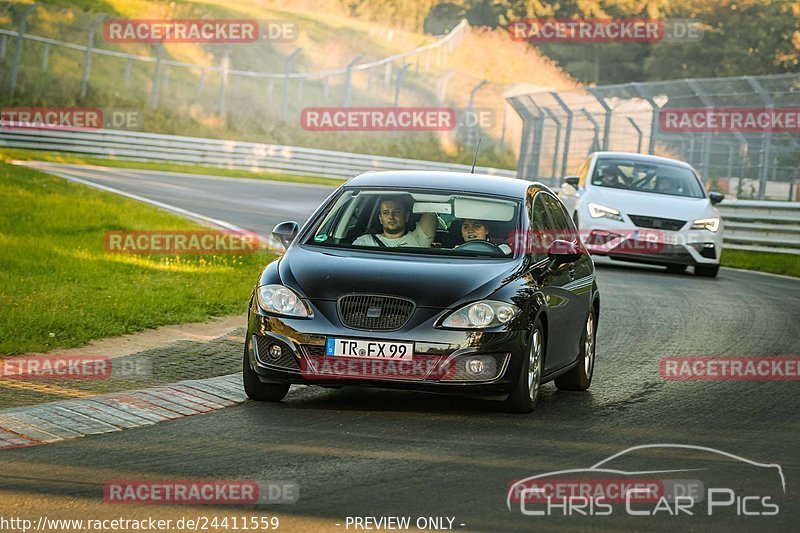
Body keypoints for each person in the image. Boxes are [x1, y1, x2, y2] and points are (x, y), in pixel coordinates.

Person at [352, 197, 436, 248]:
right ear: (380, 219)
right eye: (386, 213)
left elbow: (431, 210)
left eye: (396, 212)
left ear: (406, 217)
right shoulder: (364, 242)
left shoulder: (418, 239)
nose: (391, 217)